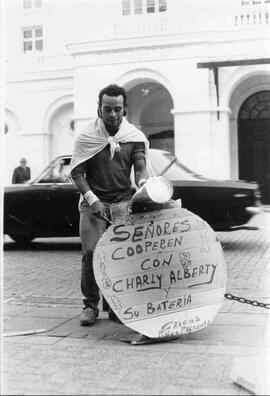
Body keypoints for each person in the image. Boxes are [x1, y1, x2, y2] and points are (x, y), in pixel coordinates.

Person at [70, 84, 151, 326]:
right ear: (99, 109)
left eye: (117, 109)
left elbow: (140, 167)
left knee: (120, 256)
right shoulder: (87, 137)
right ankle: (90, 305)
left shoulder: (134, 137)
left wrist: (145, 183)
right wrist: (92, 199)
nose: (113, 114)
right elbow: (76, 172)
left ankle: (115, 306)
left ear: (125, 109)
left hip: (123, 203)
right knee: (92, 252)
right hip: (93, 202)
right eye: (107, 109)